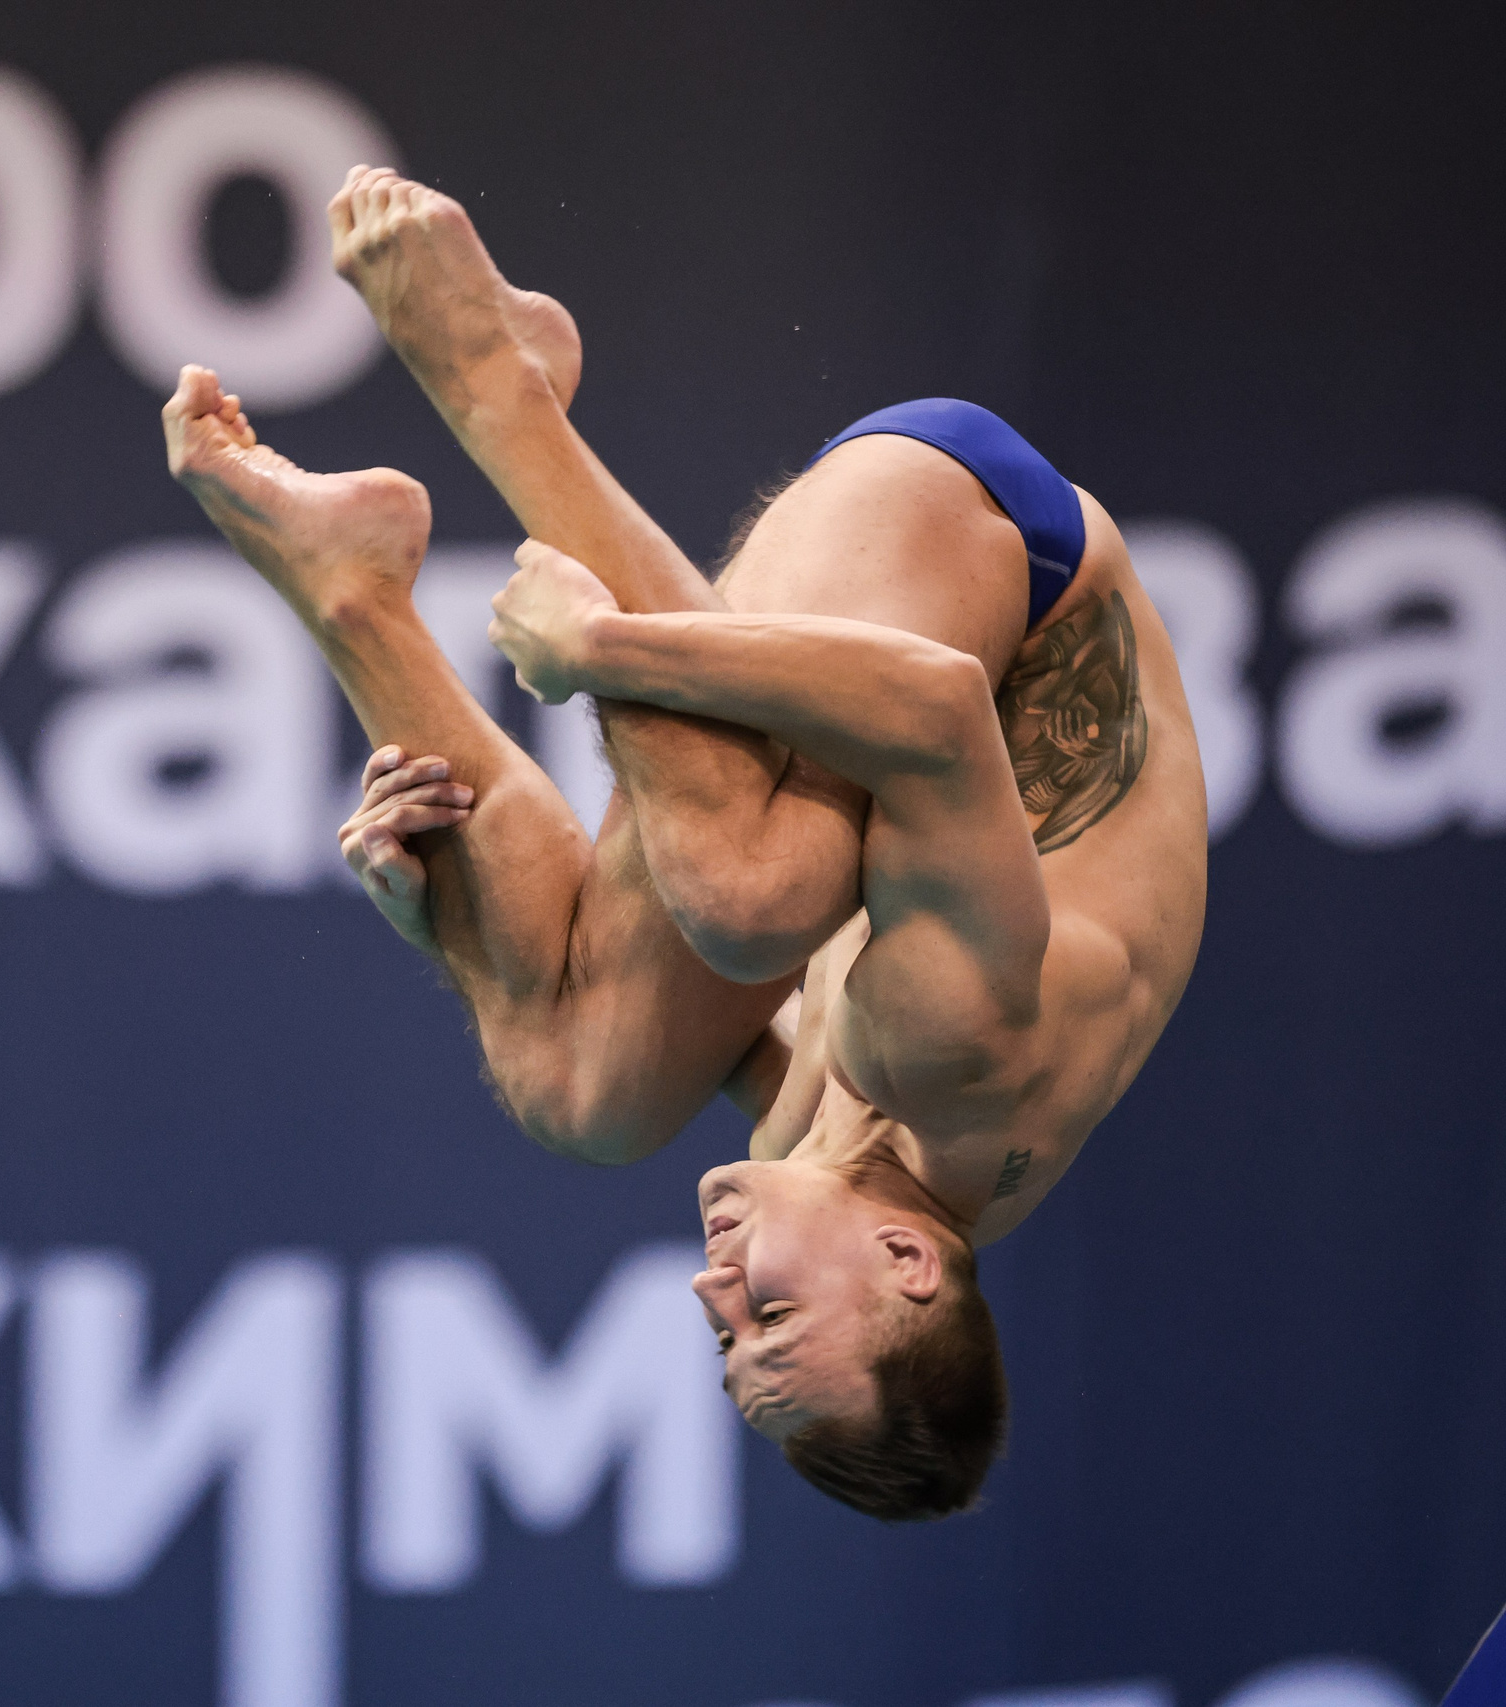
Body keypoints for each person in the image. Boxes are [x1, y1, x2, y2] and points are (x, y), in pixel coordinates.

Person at [160, 167, 1207, 1520]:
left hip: (875, 673)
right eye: (767, 1316)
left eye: (727, 1342)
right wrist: (601, 650)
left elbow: (655, 1004)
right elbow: (941, 717)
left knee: (585, 1098)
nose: (714, 1289)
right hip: (992, 537)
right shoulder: (958, 1048)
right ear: (907, 1263)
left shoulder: (848, 1152)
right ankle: (498, 378)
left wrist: (452, 923)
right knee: (754, 888)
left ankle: (356, 594)